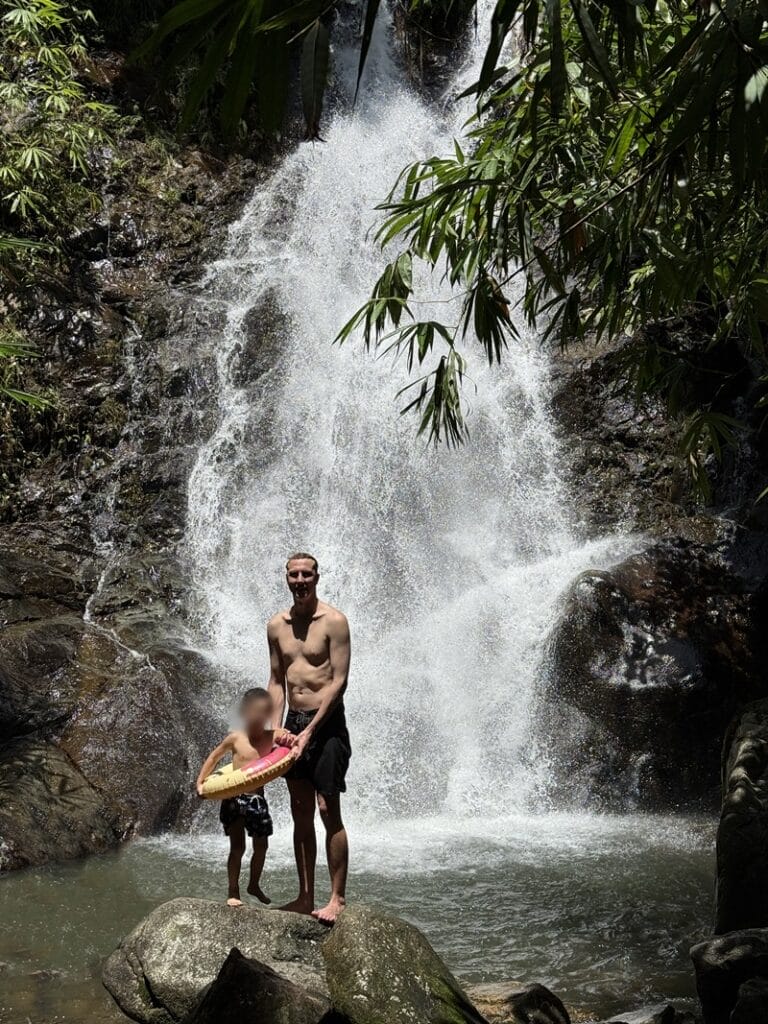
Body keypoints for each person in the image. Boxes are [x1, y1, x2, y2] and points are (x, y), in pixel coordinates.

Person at [268, 552, 351, 925]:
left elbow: (339, 683)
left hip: (326, 723)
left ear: (317, 577)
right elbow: (275, 682)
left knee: (326, 808)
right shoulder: (276, 626)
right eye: (294, 575)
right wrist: (276, 727)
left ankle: (336, 898)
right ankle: (305, 896)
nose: (300, 580)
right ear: (286, 578)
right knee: (299, 810)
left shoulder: (334, 622)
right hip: (292, 724)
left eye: (307, 574)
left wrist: (309, 731)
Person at [196, 687, 296, 907]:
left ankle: (254, 884)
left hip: (257, 800)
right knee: (238, 847)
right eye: (253, 712)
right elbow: (214, 758)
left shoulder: (272, 737)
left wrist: (291, 739)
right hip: (234, 799)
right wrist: (200, 783)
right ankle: (233, 889)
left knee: (262, 846)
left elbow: (288, 740)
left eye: (263, 713)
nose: (258, 718)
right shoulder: (235, 738)